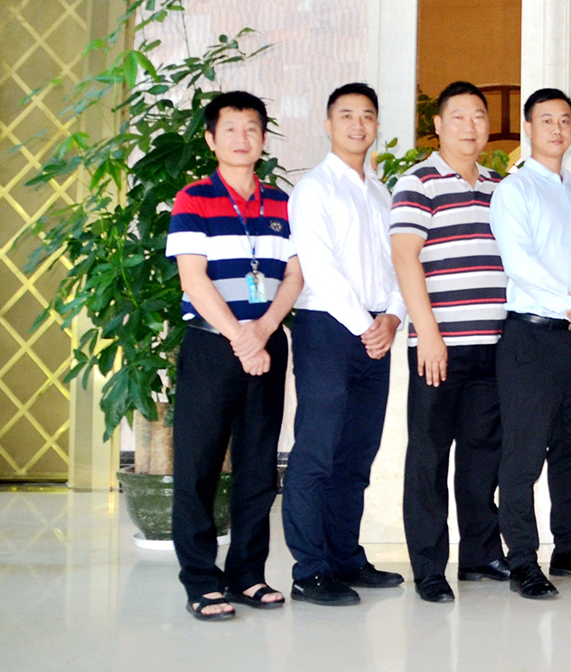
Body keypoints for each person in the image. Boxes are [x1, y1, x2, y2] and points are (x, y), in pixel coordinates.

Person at [165, 91, 303, 621]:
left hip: (267, 342)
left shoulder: (282, 204)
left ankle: (247, 574)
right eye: (230, 129)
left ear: (263, 138)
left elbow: (296, 274)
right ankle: (201, 581)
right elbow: (193, 279)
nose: (242, 138)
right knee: (197, 466)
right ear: (210, 139)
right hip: (210, 344)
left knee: (258, 465)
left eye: (252, 128)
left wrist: (263, 330)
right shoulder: (193, 199)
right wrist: (240, 338)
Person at [283, 83, 405, 606]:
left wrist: (392, 317)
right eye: (347, 115)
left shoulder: (382, 192)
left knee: (357, 452)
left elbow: (400, 262)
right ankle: (310, 570)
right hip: (328, 329)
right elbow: (319, 268)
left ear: (376, 126)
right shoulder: (313, 189)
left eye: (368, 116)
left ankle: (345, 558)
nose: (359, 124)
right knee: (317, 451)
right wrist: (365, 325)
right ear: (328, 124)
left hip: (377, 329)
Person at [489, 88, 571, 601]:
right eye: (546, 120)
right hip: (533, 338)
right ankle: (522, 559)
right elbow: (520, 264)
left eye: (565, 120)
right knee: (523, 455)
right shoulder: (514, 190)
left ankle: (568, 548)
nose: (557, 129)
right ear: (528, 128)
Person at [391, 81, 509, 604]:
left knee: (484, 455)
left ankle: (480, 555)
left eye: (478, 116)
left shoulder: (500, 186)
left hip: (495, 343)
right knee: (429, 457)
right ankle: (429, 568)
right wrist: (429, 336)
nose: (470, 126)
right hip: (439, 346)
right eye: (458, 116)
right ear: (437, 126)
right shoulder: (418, 182)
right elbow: (404, 258)